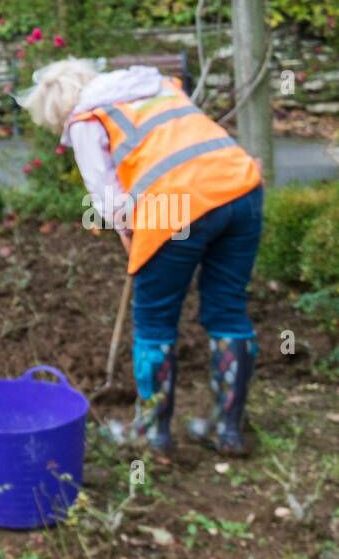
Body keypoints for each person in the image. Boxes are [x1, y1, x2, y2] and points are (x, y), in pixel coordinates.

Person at [19, 59, 264, 455]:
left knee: (154, 320)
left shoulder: (86, 118)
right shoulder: (157, 86)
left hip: (176, 207)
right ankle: (228, 430)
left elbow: (109, 199)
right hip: (242, 187)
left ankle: (151, 433)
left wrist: (128, 233)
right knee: (228, 310)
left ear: (56, 110)